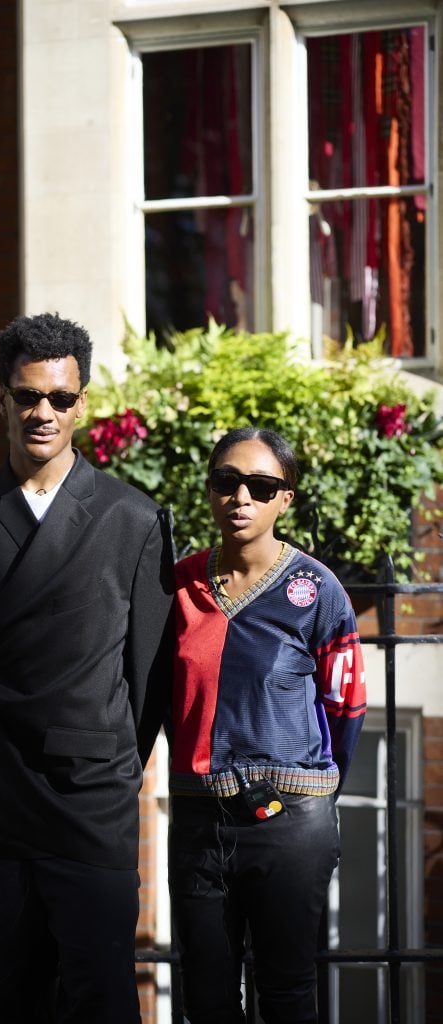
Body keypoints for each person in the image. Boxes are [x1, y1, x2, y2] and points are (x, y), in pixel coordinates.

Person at [0, 312, 174, 1024]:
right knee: (3, 996)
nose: (44, 413)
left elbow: (149, 674)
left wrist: (110, 760)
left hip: (89, 798)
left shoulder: (132, 518)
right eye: (28, 395)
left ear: (82, 402)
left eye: (60, 399)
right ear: (2, 398)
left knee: (99, 992)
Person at [169, 427, 366, 1024]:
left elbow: (345, 705)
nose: (241, 498)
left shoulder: (317, 591)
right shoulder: (176, 585)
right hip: (200, 822)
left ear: (286, 497)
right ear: (210, 491)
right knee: (205, 1000)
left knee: (285, 994)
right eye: (226, 482)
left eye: (261, 485)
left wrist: (314, 789)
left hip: (290, 824)